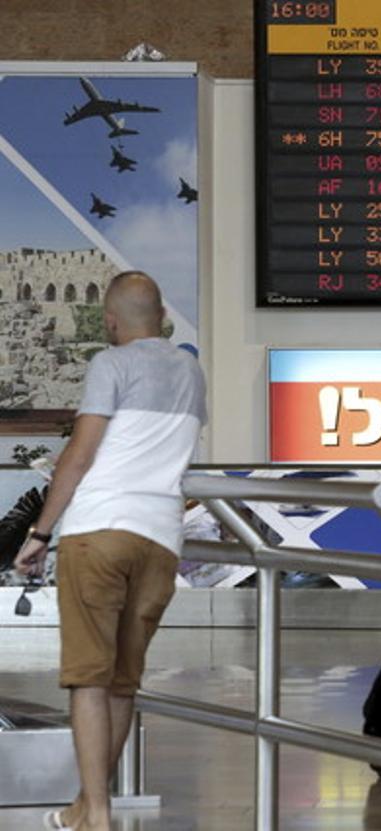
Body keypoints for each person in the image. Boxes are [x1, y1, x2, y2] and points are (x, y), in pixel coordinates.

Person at [14, 271, 207, 831]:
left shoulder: (110, 363)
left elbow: (80, 454)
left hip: (99, 531)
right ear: (163, 315)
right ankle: (86, 807)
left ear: (112, 321)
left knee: (88, 679)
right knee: (122, 681)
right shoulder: (190, 369)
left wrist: (40, 532)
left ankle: (96, 814)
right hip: (159, 540)